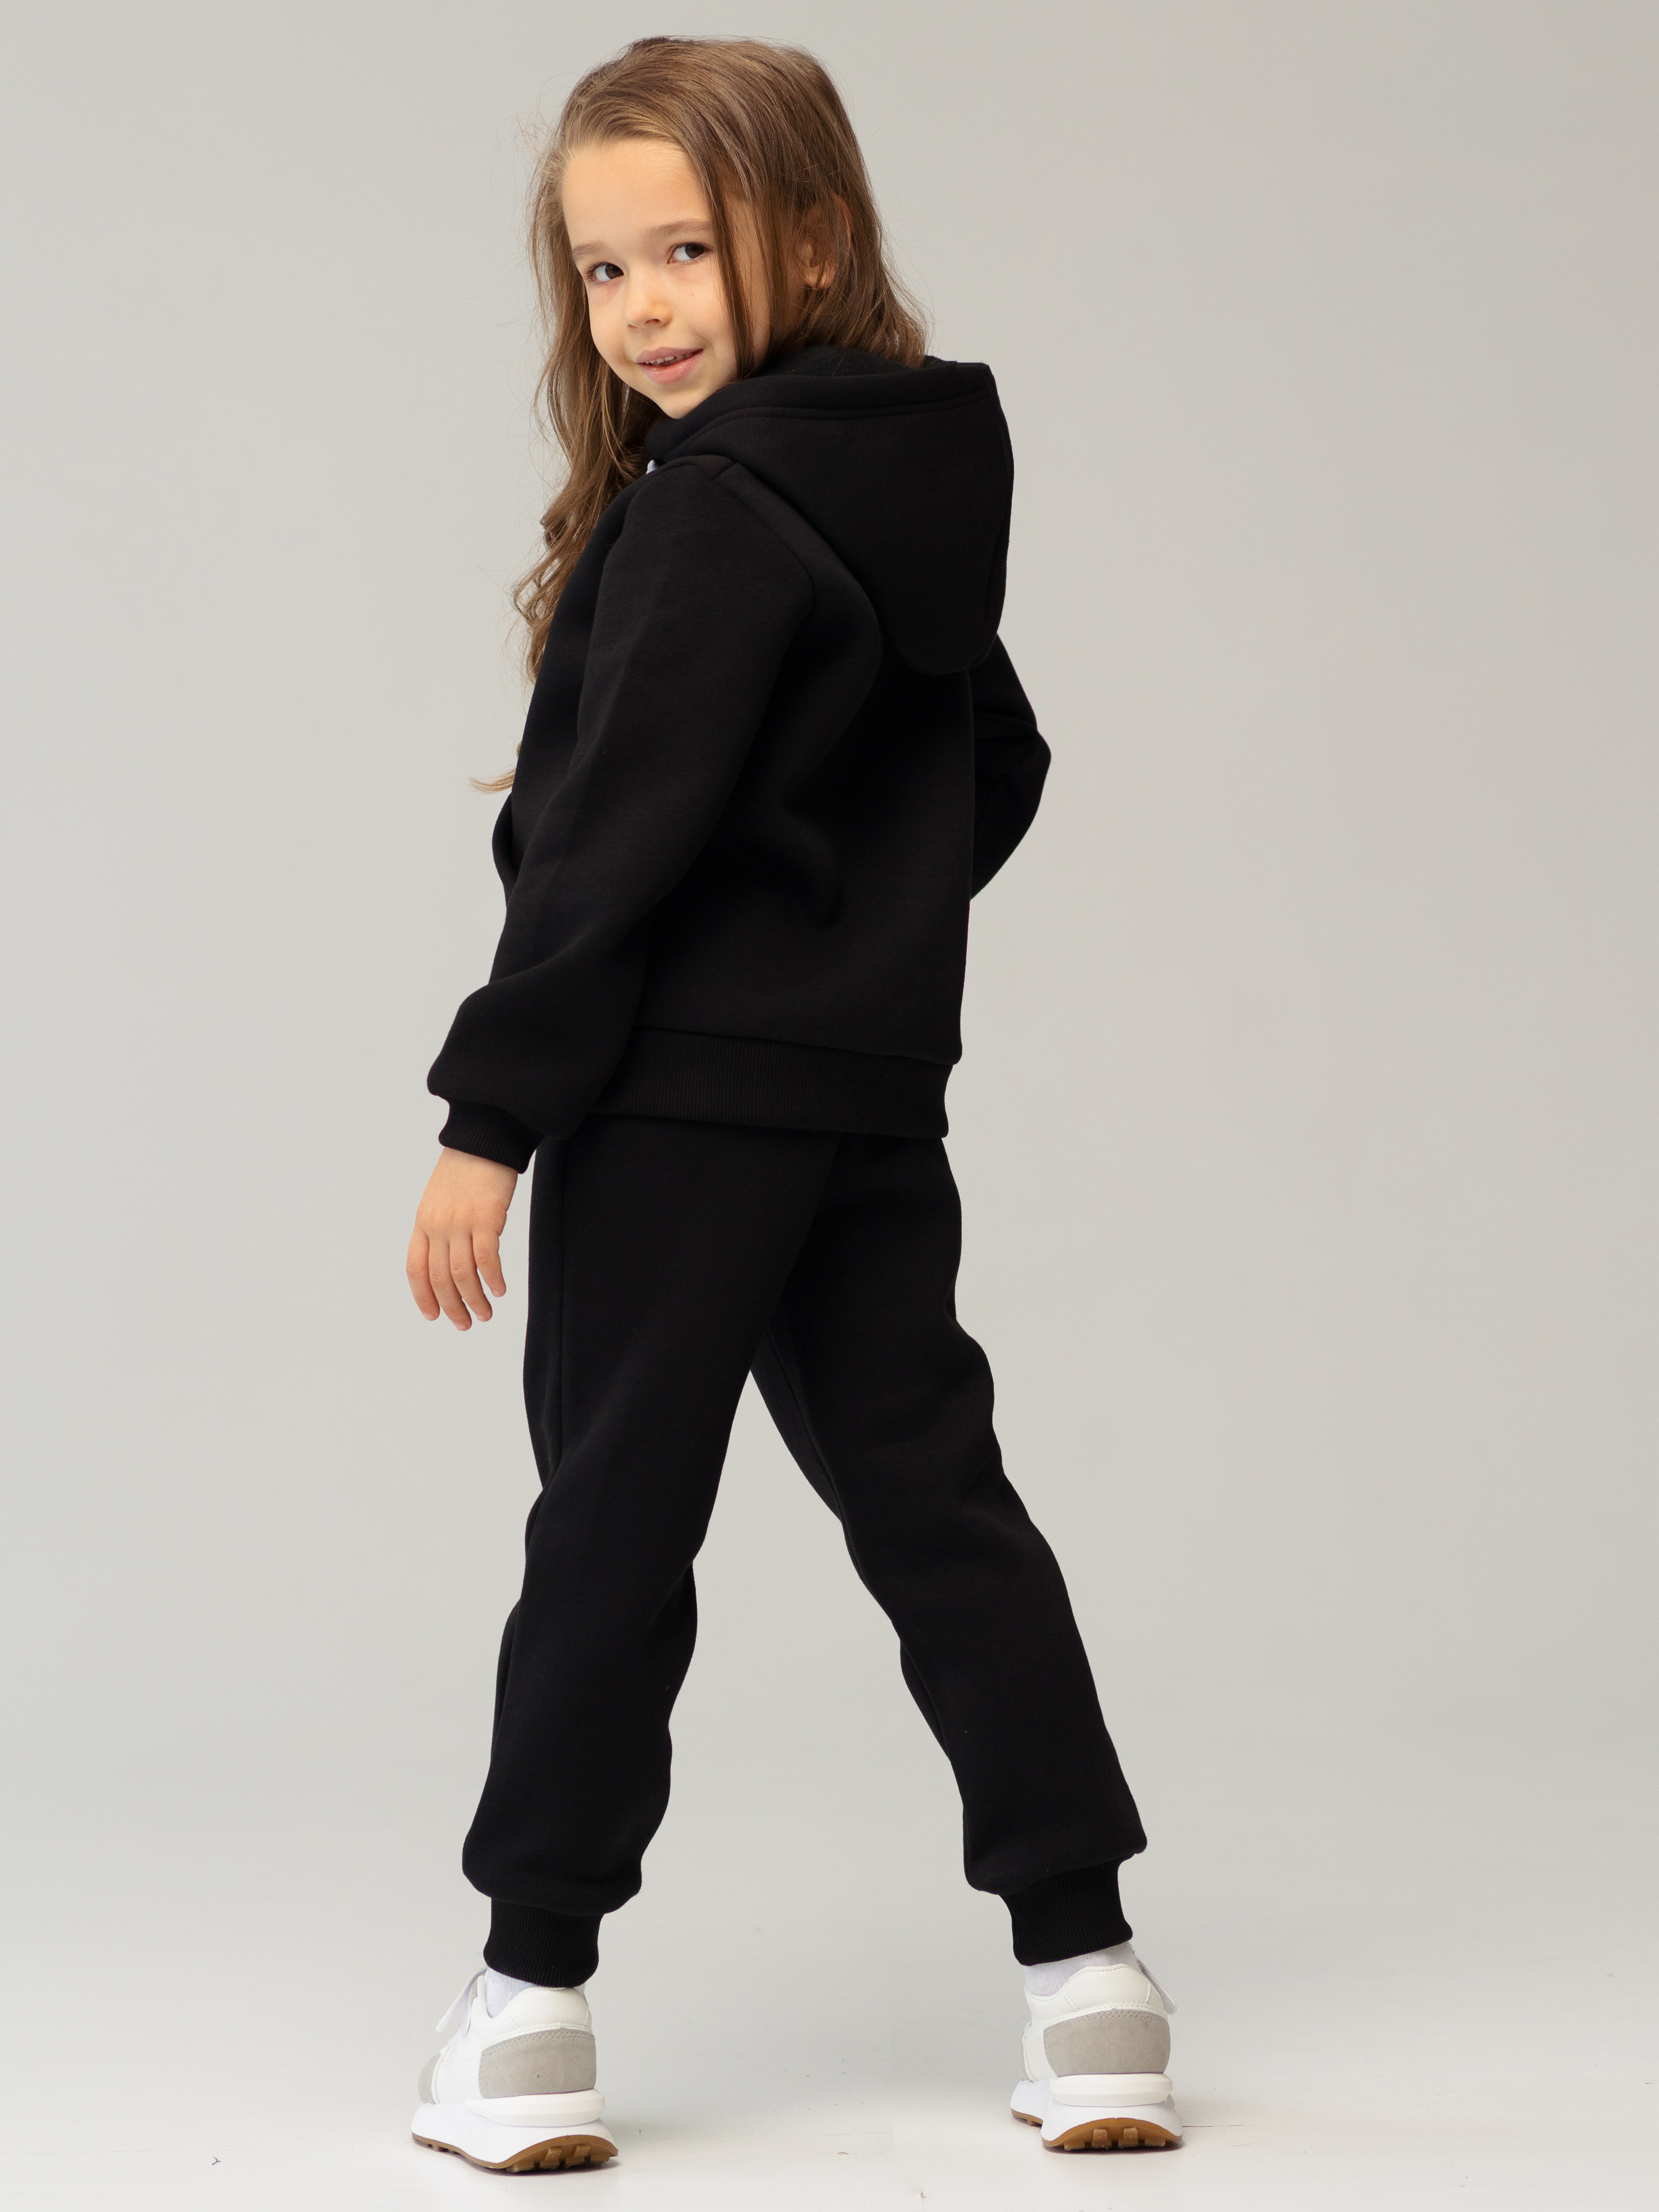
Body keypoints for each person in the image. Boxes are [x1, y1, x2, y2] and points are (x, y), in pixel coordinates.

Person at [404, 35, 1181, 2172]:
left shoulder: (713, 507)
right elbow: (993, 758)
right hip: (865, 1100)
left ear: (813, 241)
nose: (640, 306)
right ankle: (1092, 1978)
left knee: (614, 1526)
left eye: (686, 249)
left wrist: (489, 1119)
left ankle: (527, 2004)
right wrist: (847, 940)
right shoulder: (903, 484)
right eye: (601, 269)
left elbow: (606, 851)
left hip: (668, 1112)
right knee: (939, 1507)